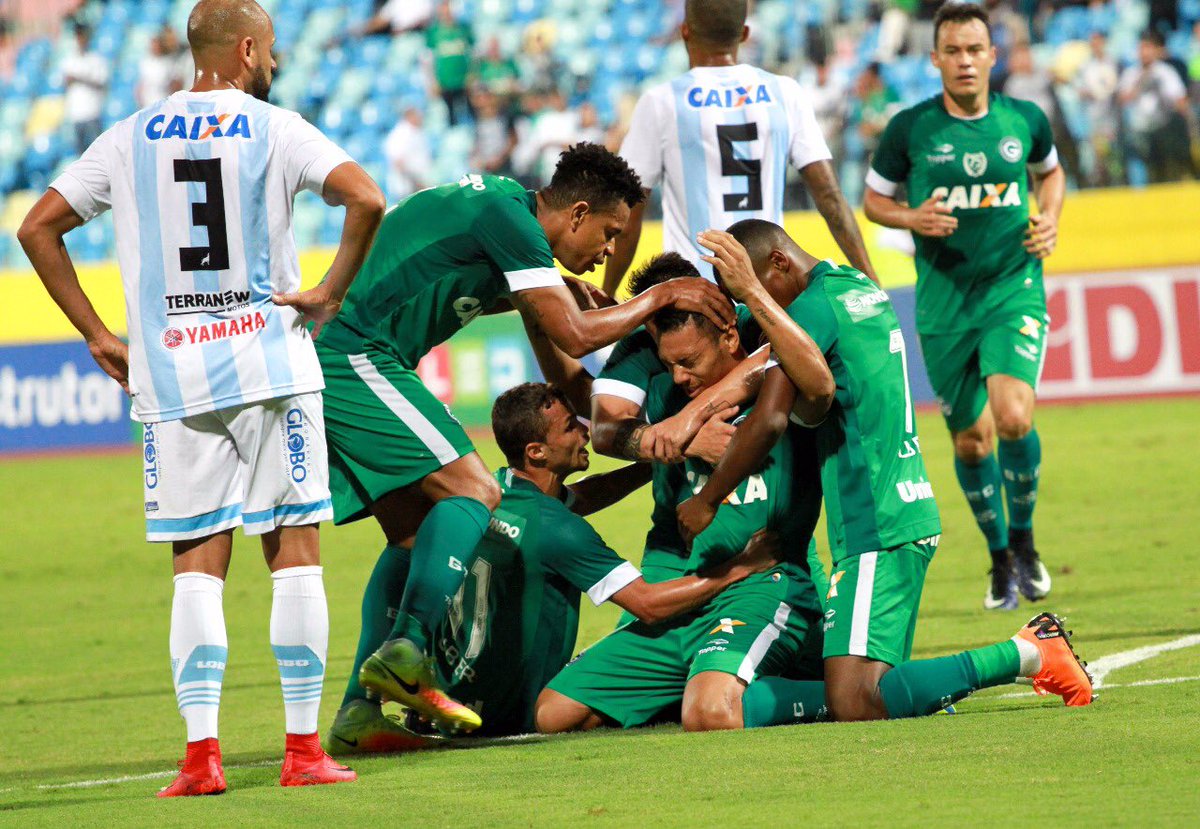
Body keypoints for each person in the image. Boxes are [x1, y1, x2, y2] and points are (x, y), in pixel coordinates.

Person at [17, 0, 386, 797]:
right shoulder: (274, 127)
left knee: (195, 566)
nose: (276, 62)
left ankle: (200, 760)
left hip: (173, 381)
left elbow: (38, 226)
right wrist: (327, 289)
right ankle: (299, 752)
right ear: (249, 49)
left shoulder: (128, 135)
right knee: (294, 555)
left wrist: (97, 332)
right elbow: (367, 197)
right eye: (274, 49)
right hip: (268, 370)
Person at [316, 143, 734, 737]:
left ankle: (359, 709)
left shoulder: (502, 214)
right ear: (578, 213)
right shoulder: (507, 218)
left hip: (349, 352)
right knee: (476, 491)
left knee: (413, 536)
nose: (611, 250)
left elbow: (541, 334)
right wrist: (659, 297)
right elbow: (576, 335)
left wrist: (545, 296)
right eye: (611, 232)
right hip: (353, 354)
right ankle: (408, 651)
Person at [674, 221, 1093, 724]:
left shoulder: (808, 311)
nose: (759, 309)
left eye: (757, 289)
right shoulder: (854, 285)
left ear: (778, 263)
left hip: (875, 519)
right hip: (901, 508)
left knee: (856, 699)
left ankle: (1029, 652)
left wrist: (707, 499)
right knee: (861, 690)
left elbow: (771, 418)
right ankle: (926, 693)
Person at [328, 382, 781, 751]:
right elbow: (647, 604)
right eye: (570, 428)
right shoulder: (559, 531)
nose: (585, 432)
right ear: (537, 452)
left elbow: (583, 496)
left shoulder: (490, 490)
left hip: (453, 697)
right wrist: (741, 567)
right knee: (653, 659)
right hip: (509, 716)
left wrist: (659, 459)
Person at [536, 300, 828, 734]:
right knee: (553, 713)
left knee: (711, 714)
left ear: (730, 337)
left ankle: (847, 693)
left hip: (756, 586)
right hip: (685, 590)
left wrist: (697, 420)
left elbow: (802, 362)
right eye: (669, 363)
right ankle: (705, 678)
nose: (679, 376)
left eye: (689, 361)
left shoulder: (780, 384)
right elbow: (595, 409)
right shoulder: (661, 395)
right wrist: (533, 312)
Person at [862, 2, 1065, 610]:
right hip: (944, 303)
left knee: (1013, 416)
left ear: (992, 55)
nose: (965, 61)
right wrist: (910, 216)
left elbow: (1050, 176)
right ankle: (1000, 558)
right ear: (936, 59)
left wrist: (1050, 218)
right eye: (953, 51)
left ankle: (1025, 543)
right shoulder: (910, 129)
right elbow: (872, 201)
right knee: (972, 442)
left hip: (1012, 288)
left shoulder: (1025, 119)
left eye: (975, 49)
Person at [604, 0, 877, 296]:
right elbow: (831, 199)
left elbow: (628, 218)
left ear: (684, 31)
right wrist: (872, 282)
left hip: (697, 297)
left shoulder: (662, 101)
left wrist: (607, 293)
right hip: (770, 291)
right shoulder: (785, 93)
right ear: (744, 33)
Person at [1118, 29, 1191, 185]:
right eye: (1141, 48)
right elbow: (1123, 99)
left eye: (1148, 48)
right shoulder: (1132, 73)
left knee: (1166, 167)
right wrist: (1143, 80)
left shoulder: (1165, 72)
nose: (1144, 53)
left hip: (1162, 127)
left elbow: (1180, 100)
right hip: (1139, 129)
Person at [62, 22, 109, 154]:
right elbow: (66, 82)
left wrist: (79, 78)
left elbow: (101, 82)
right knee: (80, 156)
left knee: (98, 153)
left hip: (92, 112)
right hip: (76, 114)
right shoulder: (70, 59)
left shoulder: (96, 59)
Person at [426, 1, 474, 127]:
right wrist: (433, 81)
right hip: (445, 82)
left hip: (464, 80)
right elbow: (428, 59)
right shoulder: (434, 32)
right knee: (450, 117)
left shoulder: (464, 29)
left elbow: (473, 53)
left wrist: (472, 74)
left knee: (470, 113)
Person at [383, 107, 432, 202]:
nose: (420, 117)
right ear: (409, 116)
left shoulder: (416, 132)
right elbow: (398, 163)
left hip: (417, 185)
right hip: (407, 188)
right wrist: (417, 182)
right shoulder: (400, 134)